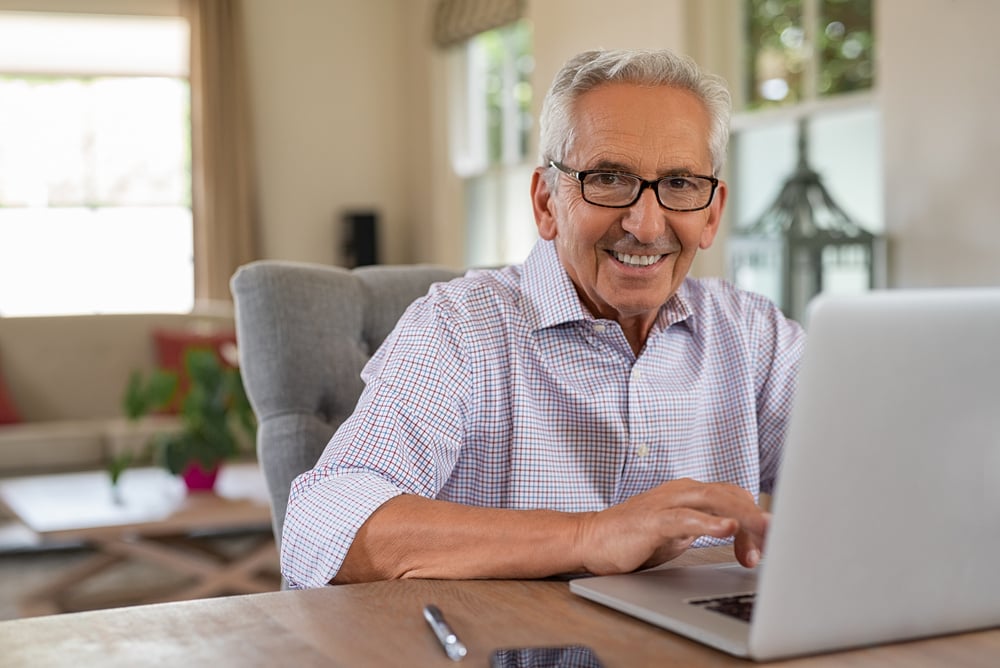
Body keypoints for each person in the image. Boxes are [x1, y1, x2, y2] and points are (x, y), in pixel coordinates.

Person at [281, 48, 806, 588]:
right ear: (547, 203)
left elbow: (875, 480)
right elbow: (320, 528)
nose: (647, 226)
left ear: (712, 212)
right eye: (607, 178)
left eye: (679, 184)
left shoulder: (754, 335)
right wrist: (590, 536)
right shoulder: (458, 327)